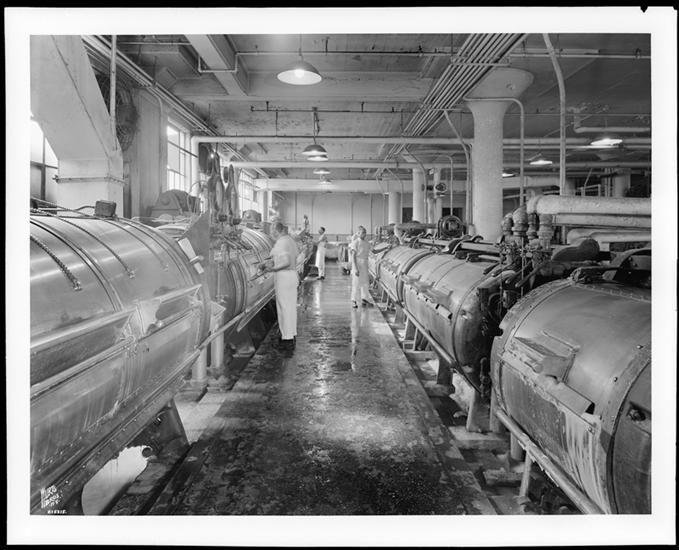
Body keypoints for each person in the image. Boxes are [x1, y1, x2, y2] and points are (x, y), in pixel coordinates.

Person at [260, 222, 299, 352]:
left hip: (284, 277)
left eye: (272, 230)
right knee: (290, 307)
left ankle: (286, 340)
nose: (271, 233)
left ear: (277, 230)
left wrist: (272, 269)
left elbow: (286, 262)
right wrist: (271, 262)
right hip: (292, 275)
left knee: (284, 308)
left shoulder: (282, 242)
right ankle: (291, 335)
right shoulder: (290, 240)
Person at [349, 225, 376, 309]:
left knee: (365, 282)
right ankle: (354, 300)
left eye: (365, 232)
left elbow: (374, 251)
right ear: (358, 233)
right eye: (363, 232)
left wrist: (385, 248)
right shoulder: (356, 242)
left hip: (364, 263)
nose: (364, 234)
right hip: (358, 263)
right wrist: (355, 268)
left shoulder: (366, 243)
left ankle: (365, 299)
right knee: (356, 283)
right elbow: (353, 256)